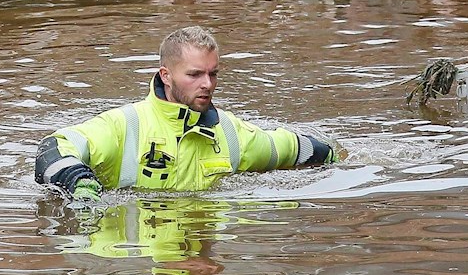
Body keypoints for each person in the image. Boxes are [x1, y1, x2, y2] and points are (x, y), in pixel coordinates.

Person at [35, 25, 339, 199]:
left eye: (213, 74)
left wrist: (334, 157)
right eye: (194, 75)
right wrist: (77, 178)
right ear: (165, 75)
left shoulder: (231, 133)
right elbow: (52, 148)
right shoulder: (125, 126)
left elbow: (287, 146)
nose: (207, 84)